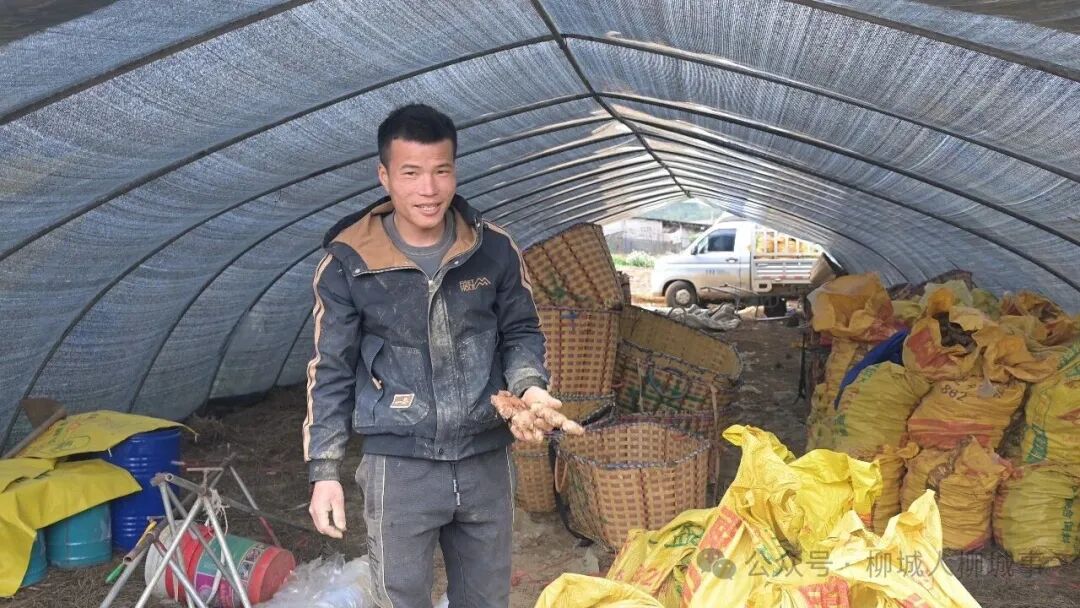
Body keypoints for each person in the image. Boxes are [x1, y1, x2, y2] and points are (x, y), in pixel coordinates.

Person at [303, 103, 559, 608]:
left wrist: (529, 386)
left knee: (486, 600)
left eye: (441, 171)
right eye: (411, 173)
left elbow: (520, 331)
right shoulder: (349, 263)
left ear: (454, 170)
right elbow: (331, 370)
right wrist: (324, 472)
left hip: (484, 459)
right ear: (384, 175)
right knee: (400, 599)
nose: (429, 189)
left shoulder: (493, 250)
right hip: (400, 467)